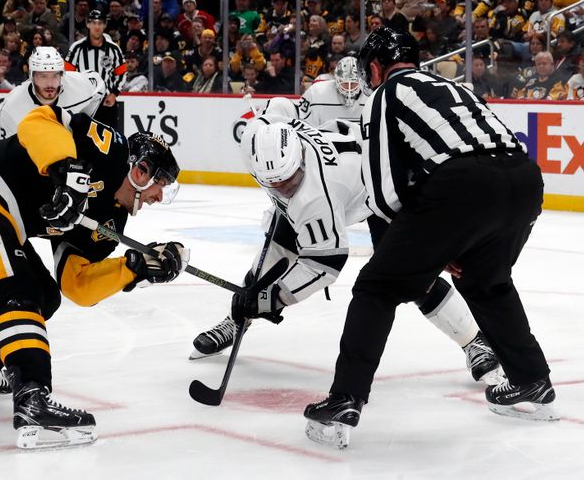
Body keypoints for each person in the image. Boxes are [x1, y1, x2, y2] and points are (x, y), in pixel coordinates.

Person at [303, 27, 557, 450]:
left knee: (376, 287)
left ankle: (345, 399)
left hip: (463, 186)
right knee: (485, 281)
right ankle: (533, 382)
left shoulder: (384, 95)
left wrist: (431, 246)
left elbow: (384, 193)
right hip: (524, 180)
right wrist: (446, 240)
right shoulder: (453, 86)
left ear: (374, 67)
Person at [0, 106, 185, 449]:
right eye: (160, 184)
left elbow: (77, 284)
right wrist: (63, 170)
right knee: (18, 291)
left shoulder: (111, 220)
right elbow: (39, 120)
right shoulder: (111, 149)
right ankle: (32, 398)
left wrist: (133, 267)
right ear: (141, 169)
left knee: (44, 294)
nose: (159, 197)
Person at [192, 95, 501, 384]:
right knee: (270, 264)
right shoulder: (260, 132)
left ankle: (475, 342)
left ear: (299, 158)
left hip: (384, 187)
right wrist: (261, 292)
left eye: (291, 179)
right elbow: (282, 106)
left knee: (413, 275)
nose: (286, 189)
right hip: (352, 164)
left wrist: (273, 298)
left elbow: (323, 265)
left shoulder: (315, 197)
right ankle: (237, 321)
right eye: (276, 185)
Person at [0, 46, 106, 141]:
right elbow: (3, 155)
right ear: (32, 77)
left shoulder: (78, 86)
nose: (49, 84)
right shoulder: (13, 107)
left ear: (62, 75)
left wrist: (84, 124)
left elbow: (99, 84)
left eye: (55, 75)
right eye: (43, 76)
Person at [65, 10, 126, 128]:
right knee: (81, 140)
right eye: (93, 23)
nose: (97, 26)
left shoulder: (114, 49)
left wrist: (114, 94)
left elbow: (122, 72)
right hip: (83, 102)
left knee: (110, 140)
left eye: (100, 23)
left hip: (106, 103)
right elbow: (67, 74)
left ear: (105, 25)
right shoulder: (77, 48)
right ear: (88, 24)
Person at [298, 57, 367, 128]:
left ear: (361, 81)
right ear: (336, 79)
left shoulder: (370, 96)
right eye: (345, 82)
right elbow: (302, 123)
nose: (349, 87)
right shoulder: (316, 92)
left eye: (353, 83)